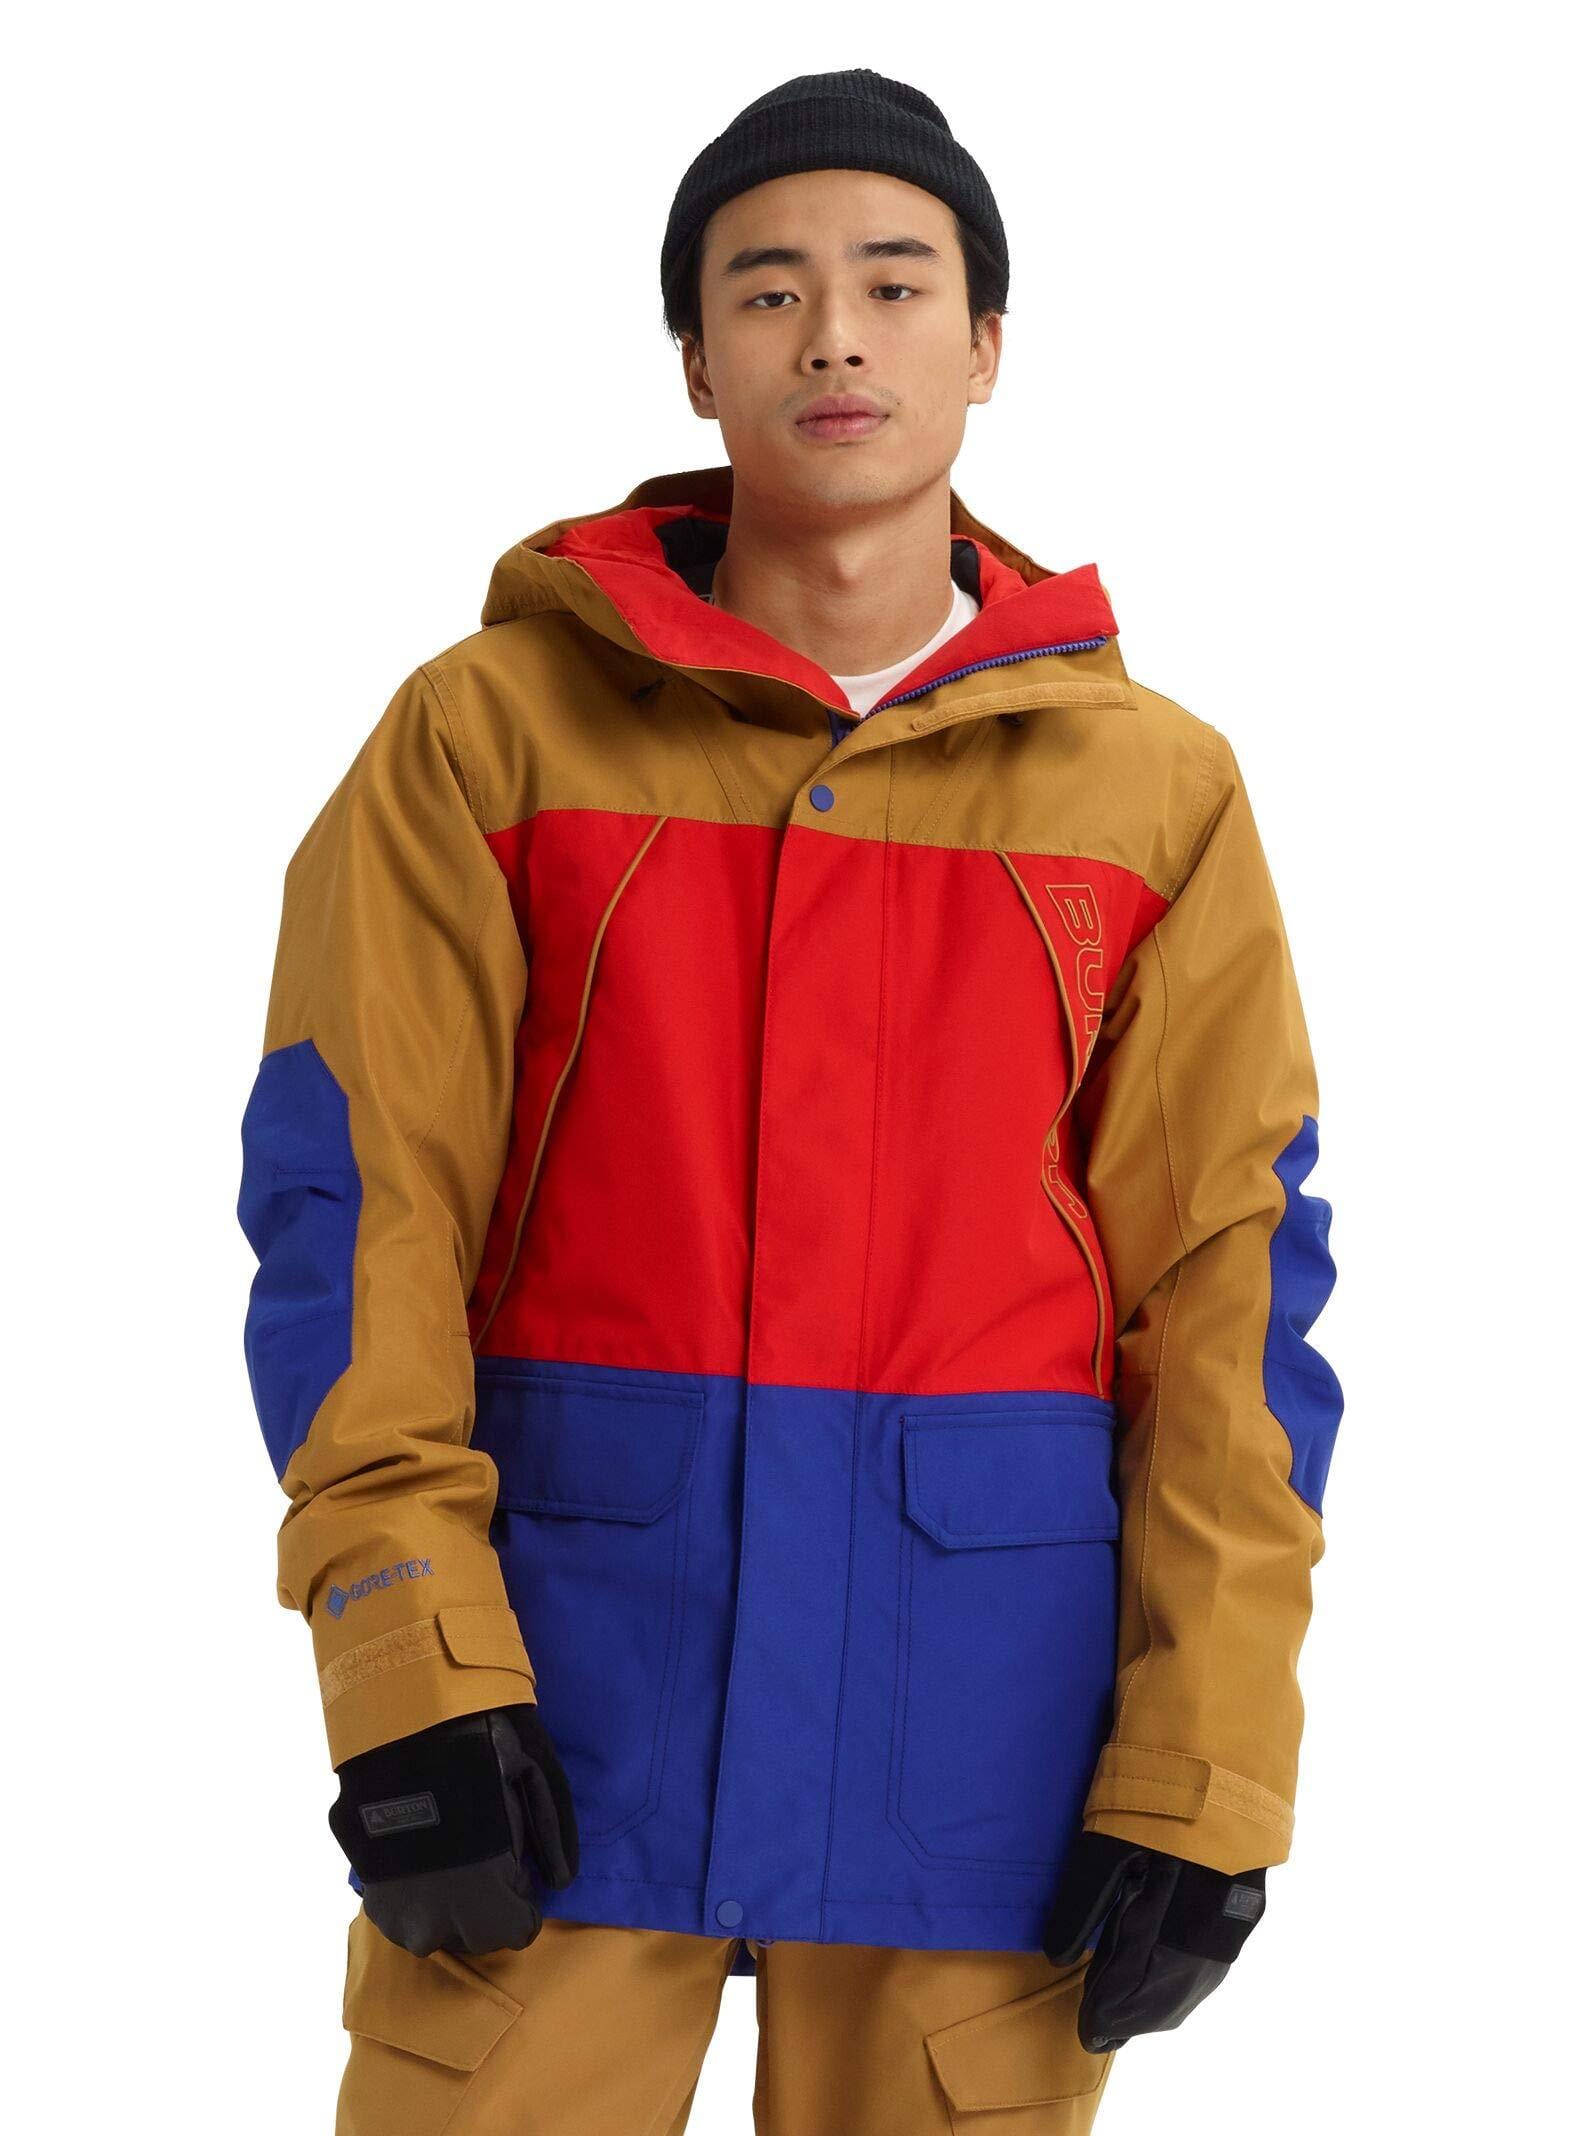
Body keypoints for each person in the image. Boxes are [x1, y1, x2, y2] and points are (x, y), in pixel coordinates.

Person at [237, 68, 1343, 2135]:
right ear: (696, 359)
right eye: (767, 289)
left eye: (895, 284)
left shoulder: (1154, 793)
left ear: (984, 346)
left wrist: (1207, 1765)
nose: (834, 334)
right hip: (559, 1700)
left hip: (982, 1734)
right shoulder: (486, 737)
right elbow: (357, 1210)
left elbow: (1227, 1295)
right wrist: (404, 1664)